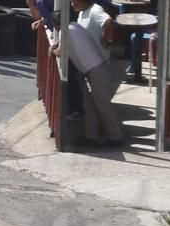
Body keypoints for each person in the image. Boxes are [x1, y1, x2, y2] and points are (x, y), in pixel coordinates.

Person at [51, 11, 124, 147]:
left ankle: (116, 137)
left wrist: (52, 50)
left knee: (103, 105)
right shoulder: (75, 26)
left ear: (55, 25)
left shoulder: (65, 31)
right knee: (89, 105)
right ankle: (91, 136)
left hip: (95, 71)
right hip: (94, 70)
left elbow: (60, 51)